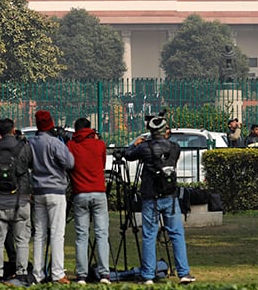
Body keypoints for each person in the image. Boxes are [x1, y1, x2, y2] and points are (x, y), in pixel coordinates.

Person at [125, 117, 195, 285]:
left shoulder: (143, 148)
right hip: (170, 196)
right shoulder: (175, 147)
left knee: (149, 234)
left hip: (150, 197)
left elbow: (128, 155)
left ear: (150, 131)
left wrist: (136, 143)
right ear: (165, 131)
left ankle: (148, 275)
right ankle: (184, 273)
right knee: (176, 234)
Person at [29, 110, 74, 284]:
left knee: (39, 233)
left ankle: (38, 273)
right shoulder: (55, 142)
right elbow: (70, 163)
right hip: (55, 190)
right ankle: (57, 272)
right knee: (57, 233)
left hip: (38, 189)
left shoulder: (31, 142)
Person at [0, 118, 33, 285]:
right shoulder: (23, 146)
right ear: (14, 130)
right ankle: (21, 272)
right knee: (22, 239)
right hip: (20, 199)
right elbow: (31, 164)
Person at [67, 118, 112, 285]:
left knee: (81, 235)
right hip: (99, 191)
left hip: (80, 193)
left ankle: (81, 275)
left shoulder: (71, 145)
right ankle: (104, 273)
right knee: (101, 234)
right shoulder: (99, 144)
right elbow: (101, 165)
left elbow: (69, 165)